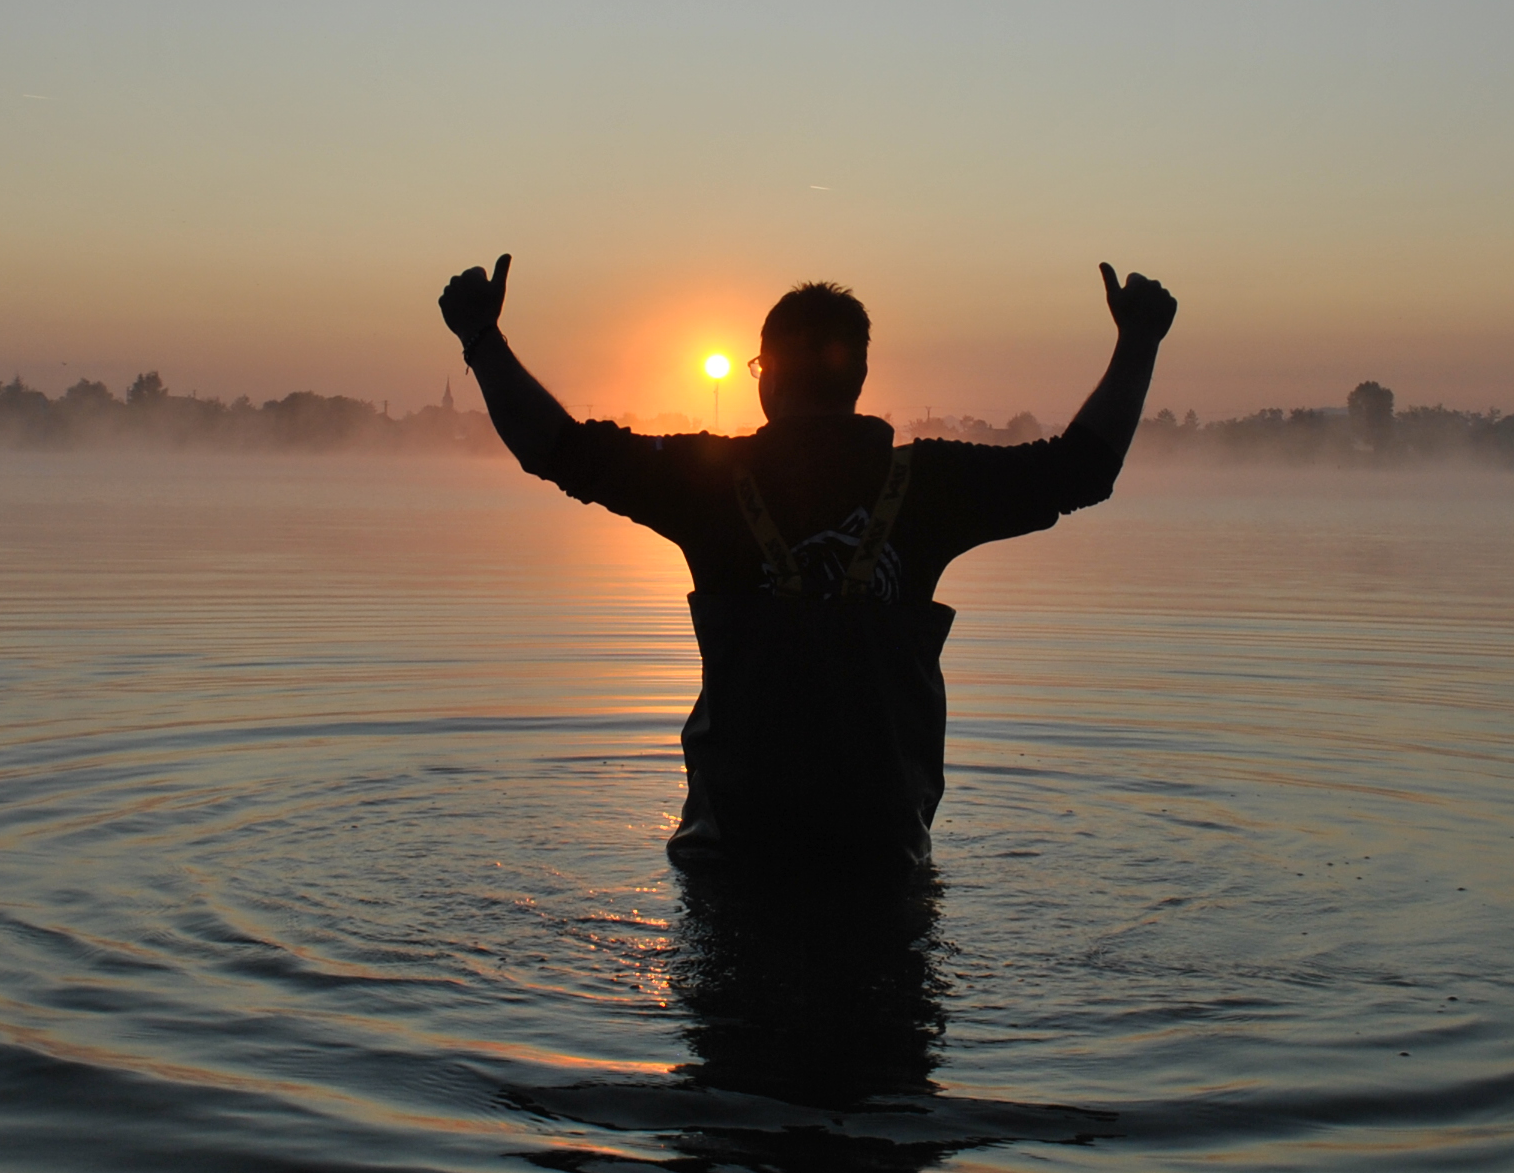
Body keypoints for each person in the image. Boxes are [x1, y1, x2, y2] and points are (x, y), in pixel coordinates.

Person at [438, 255, 1177, 881]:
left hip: (733, 860)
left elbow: (556, 449)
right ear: (857, 372)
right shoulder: (931, 487)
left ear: (765, 376)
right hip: (881, 860)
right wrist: (1138, 342)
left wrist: (482, 338)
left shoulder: (707, 481)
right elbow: (1084, 469)